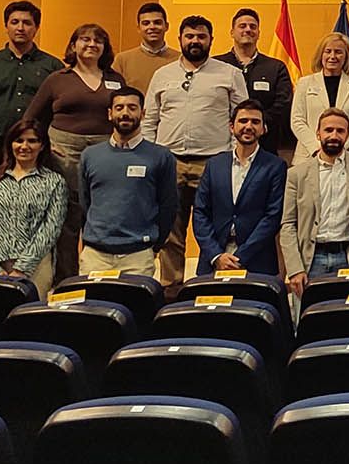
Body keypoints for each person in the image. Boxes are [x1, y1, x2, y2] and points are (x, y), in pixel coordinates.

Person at [141, 16, 247, 296]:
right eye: (190, 36)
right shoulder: (163, 75)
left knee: (215, 226)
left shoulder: (229, 73)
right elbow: (150, 119)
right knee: (171, 228)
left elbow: (241, 118)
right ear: (180, 40)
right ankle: (171, 288)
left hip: (214, 162)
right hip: (169, 161)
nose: (195, 41)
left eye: (201, 37)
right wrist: (150, 158)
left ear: (211, 40)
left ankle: (211, 284)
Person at [25, 22, 122, 284]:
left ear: (105, 48)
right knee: (68, 220)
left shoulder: (115, 79)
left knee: (100, 216)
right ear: (73, 45)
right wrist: (44, 146)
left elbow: (125, 115)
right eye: (85, 40)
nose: (92, 45)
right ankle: (67, 283)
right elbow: (31, 119)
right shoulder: (57, 79)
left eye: (98, 41)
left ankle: (99, 282)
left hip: (105, 155)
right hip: (64, 154)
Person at [0, 0, 62, 188]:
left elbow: (60, 106)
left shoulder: (53, 67)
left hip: (36, 150)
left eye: (27, 23)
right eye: (14, 22)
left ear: (36, 27)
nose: (20, 28)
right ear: (6, 25)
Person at [78, 86, 178, 277]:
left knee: (136, 307)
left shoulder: (161, 156)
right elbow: (85, 204)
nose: (125, 113)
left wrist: (154, 247)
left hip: (138, 256)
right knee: (92, 307)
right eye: (119, 108)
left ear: (143, 113)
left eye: (132, 108)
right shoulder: (90, 155)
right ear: (109, 114)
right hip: (95, 256)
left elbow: (169, 206)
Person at [279, 107, 349, 297]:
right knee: (312, 320)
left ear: (348, 134)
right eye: (328, 130)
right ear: (318, 133)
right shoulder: (296, 174)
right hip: (311, 258)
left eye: (340, 131)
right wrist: (294, 269)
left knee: (346, 319)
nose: (334, 135)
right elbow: (288, 224)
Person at [0, 119, 67, 296]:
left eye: (32, 141)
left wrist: (21, 269)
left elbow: (50, 230)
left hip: (35, 268)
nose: (24, 146)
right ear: (10, 144)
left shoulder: (54, 182)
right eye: (19, 140)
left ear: (42, 145)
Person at [191, 99, 288, 278]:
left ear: (263, 128)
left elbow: (272, 216)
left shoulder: (276, 166)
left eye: (255, 122)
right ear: (231, 126)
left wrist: (240, 257)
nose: (248, 126)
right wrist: (216, 255)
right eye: (243, 121)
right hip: (214, 260)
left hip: (256, 261)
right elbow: (200, 212)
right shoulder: (214, 165)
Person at [215, 8, 295, 157]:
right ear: (232, 32)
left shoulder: (276, 67)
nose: (248, 30)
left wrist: (256, 125)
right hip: (221, 145)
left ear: (259, 33)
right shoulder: (215, 65)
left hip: (265, 146)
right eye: (242, 26)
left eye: (253, 26)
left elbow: (283, 104)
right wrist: (231, 127)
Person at [291, 32, 349, 165]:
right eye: (328, 51)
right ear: (321, 55)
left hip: (347, 155)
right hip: (309, 155)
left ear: (346, 56)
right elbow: (297, 120)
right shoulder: (304, 83)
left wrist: (340, 145)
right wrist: (317, 147)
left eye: (338, 52)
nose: (332, 56)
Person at [112, 2, 179, 90]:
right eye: (146, 23)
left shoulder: (180, 59)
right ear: (138, 28)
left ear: (166, 26)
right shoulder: (122, 60)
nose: (152, 27)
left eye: (157, 22)